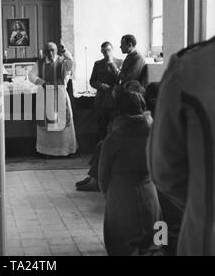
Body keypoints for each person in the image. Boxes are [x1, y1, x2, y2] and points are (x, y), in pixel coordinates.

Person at [148, 37, 215, 256]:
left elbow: (164, 172)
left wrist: (200, 196)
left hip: (203, 233)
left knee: (162, 227)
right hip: (176, 210)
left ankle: (161, 246)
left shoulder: (190, 68)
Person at [99, 91, 161, 256]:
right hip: (150, 195)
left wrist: (109, 193)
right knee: (155, 243)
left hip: (121, 197)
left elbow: (103, 176)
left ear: (118, 111)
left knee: (121, 246)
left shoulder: (113, 139)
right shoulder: (154, 134)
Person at [29, 41, 77, 157]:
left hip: (60, 94)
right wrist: (41, 82)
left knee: (63, 123)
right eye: (47, 50)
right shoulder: (40, 63)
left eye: (52, 50)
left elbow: (71, 63)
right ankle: (47, 151)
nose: (50, 53)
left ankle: (65, 150)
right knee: (46, 124)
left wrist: (65, 51)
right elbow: (31, 75)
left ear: (56, 51)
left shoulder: (62, 61)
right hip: (45, 96)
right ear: (44, 52)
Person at [90, 41, 122, 140]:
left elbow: (120, 80)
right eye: (104, 51)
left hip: (114, 98)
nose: (106, 53)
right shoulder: (98, 64)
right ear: (101, 52)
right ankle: (101, 147)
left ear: (112, 50)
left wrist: (112, 64)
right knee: (101, 125)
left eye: (108, 50)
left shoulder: (120, 62)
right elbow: (92, 81)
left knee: (114, 123)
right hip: (101, 99)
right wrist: (100, 85)